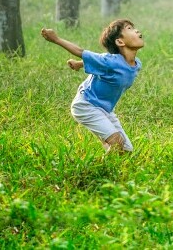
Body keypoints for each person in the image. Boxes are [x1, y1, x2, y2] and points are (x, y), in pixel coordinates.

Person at [40, 19, 144, 152]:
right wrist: (56, 39)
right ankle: (97, 169)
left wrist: (79, 64)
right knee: (117, 143)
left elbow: (100, 61)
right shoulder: (110, 61)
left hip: (105, 110)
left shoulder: (136, 64)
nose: (136, 30)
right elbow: (81, 51)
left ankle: (108, 151)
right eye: (129, 28)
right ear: (120, 42)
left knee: (126, 150)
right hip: (86, 105)